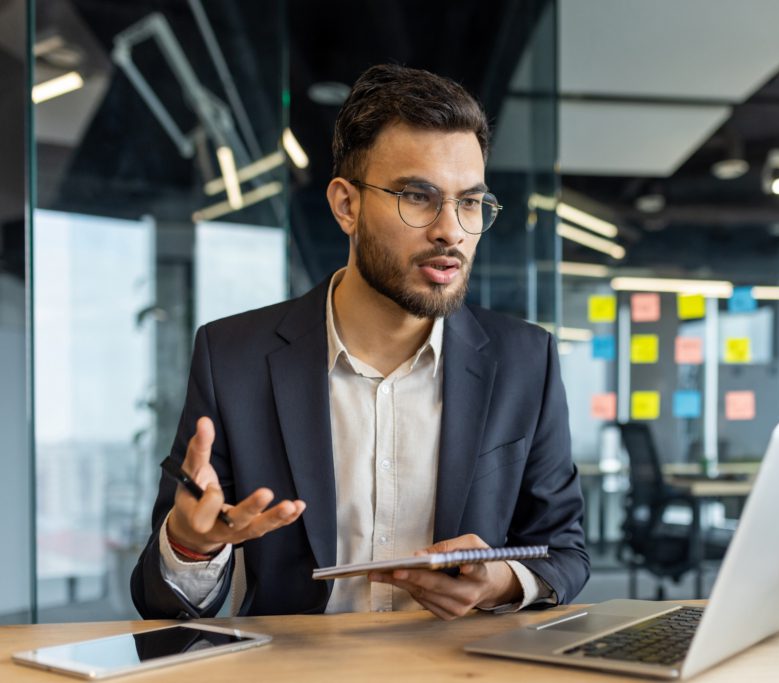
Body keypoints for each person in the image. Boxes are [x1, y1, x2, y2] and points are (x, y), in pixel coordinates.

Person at [131, 64, 589, 620]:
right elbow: (159, 603)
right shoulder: (234, 358)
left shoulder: (525, 360)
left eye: (470, 202)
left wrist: (499, 582)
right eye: (418, 197)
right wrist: (190, 545)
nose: (451, 230)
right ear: (346, 205)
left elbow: (563, 548)